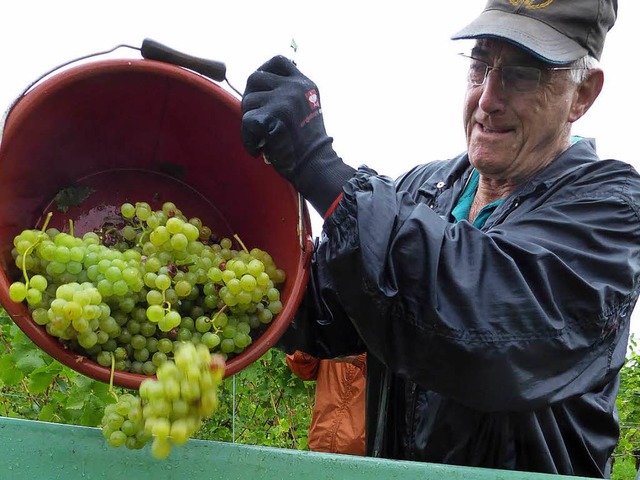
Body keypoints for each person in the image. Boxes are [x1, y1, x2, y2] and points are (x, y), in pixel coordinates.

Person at [240, 0, 640, 477]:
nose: (488, 98)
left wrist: (322, 171)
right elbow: (325, 313)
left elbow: (485, 321)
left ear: (583, 95)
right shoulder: (424, 189)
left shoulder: (611, 209)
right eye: (480, 65)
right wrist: (227, 242)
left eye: (523, 74)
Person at [285, 351, 366, 456]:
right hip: (321, 445)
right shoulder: (337, 336)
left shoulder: (385, 337)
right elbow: (303, 369)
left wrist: (359, 359)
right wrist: (305, 345)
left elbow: (391, 368)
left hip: (371, 457)